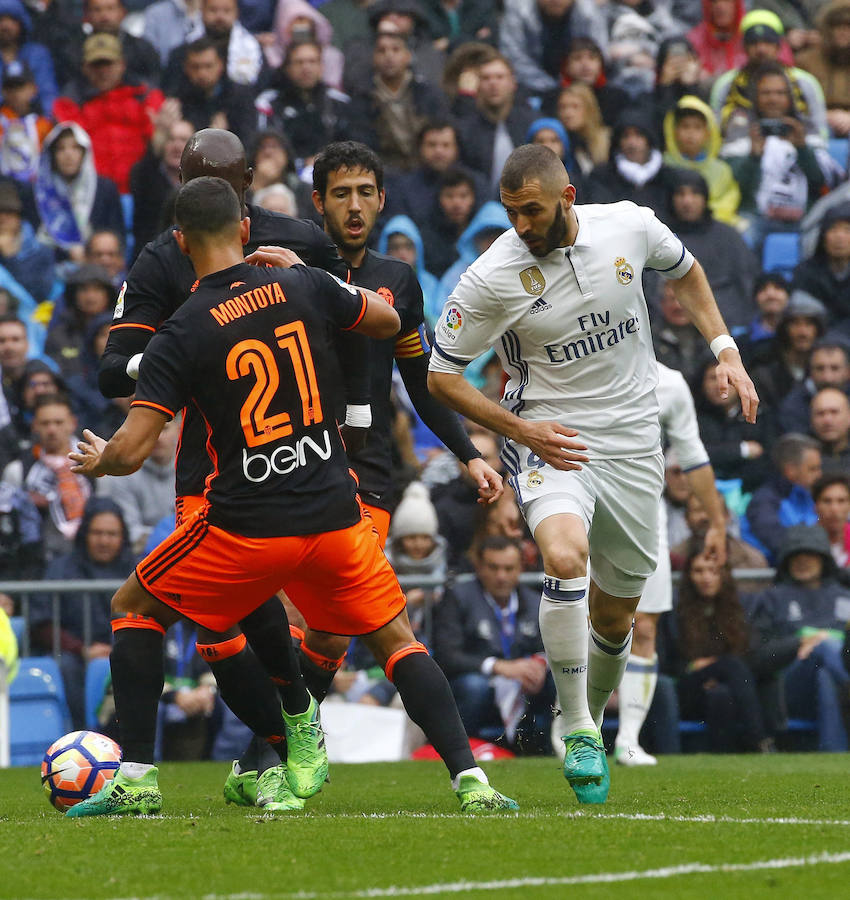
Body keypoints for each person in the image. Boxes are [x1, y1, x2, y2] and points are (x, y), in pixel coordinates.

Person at [68, 175, 517, 817]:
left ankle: (141, 777)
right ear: (247, 230)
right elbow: (390, 320)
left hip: (247, 528)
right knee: (397, 639)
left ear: (179, 241)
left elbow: (134, 448)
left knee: (133, 607)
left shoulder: (182, 330)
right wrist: (320, 278)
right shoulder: (303, 282)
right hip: (335, 515)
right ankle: (470, 780)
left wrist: (100, 461)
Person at [427, 142, 759, 803]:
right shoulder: (492, 276)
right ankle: (578, 724)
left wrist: (728, 353)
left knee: (617, 614)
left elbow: (688, 271)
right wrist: (519, 431)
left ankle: (586, 711)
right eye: (511, 212)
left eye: (532, 211)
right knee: (563, 553)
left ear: (568, 198)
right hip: (554, 439)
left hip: (635, 442)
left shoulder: (629, 226)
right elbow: (439, 376)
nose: (521, 225)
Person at [97, 128, 371, 805]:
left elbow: (129, 443)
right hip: (278, 473)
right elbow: (384, 318)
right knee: (231, 623)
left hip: (250, 484)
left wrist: (357, 410)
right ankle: (285, 745)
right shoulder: (274, 267)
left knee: (156, 608)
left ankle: (253, 750)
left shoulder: (214, 302)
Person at [613, 361, 727, 767]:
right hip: (586, 505)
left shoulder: (672, 383)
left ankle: (628, 739)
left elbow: (693, 454)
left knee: (644, 625)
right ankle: (575, 725)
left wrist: (716, 522)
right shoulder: (578, 360)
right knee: (584, 623)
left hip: (648, 513)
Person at [433, 535, 555, 752]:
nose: (501, 576)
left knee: (555, 679)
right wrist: (497, 667)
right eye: (494, 567)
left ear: (520, 569)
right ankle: (462, 754)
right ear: (479, 567)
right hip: (478, 684)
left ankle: (548, 747)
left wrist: (538, 665)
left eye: (509, 568)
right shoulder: (457, 598)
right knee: (474, 687)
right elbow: (447, 655)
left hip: (523, 687)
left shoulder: (535, 602)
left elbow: (548, 647)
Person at [29, 496, 134, 729]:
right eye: (97, 533)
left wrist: (116, 649)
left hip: (123, 652)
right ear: (85, 533)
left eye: (112, 534)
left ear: (122, 536)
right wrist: (82, 649)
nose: (104, 540)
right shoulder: (61, 568)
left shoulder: (137, 570)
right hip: (73, 655)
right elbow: (41, 624)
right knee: (64, 666)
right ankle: (77, 734)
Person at [747, 524, 850, 751]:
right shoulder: (771, 599)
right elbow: (758, 657)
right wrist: (799, 643)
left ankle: (834, 753)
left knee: (825, 675)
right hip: (790, 687)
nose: (803, 561)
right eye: (796, 556)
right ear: (786, 559)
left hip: (836, 683)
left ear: (823, 558)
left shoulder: (845, 596)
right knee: (823, 647)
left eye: (810, 554)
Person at [671, 541, 771, 753]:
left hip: (725, 686)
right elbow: (669, 663)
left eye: (713, 571)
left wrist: (713, 670)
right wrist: (697, 667)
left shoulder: (737, 610)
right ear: (688, 575)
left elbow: (748, 654)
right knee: (731, 666)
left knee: (721, 694)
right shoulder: (675, 611)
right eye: (699, 571)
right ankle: (759, 740)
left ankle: (723, 757)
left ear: (723, 575)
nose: (706, 578)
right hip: (687, 686)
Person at [53, 33, 165, 194]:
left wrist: (162, 131)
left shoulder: (145, 95)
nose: (103, 71)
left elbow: (157, 143)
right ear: (85, 67)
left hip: (141, 190)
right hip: (93, 192)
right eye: (96, 65)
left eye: (108, 64)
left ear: (122, 64)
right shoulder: (70, 102)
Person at [2, 393, 92, 560]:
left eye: (58, 422)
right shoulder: (18, 470)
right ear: (34, 426)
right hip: (35, 559)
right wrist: (26, 504)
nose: (52, 430)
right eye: (45, 423)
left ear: (73, 424)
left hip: (88, 557)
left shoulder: (94, 463)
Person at [35, 122, 124, 263]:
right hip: (50, 266)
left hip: (98, 264)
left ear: (85, 153)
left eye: (75, 148)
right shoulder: (40, 192)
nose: (68, 155)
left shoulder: (104, 189)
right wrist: (68, 252)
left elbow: (116, 235)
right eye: (60, 149)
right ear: (52, 155)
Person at [255, 39, 350, 168]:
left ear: (321, 67)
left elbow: (352, 147)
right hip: (286, 175)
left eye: (312, 61)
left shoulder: (340, 102)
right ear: (287, 67)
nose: (306, 68)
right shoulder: (268, 103)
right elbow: (266, 147)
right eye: (299, 62)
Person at [662, 96, 741, 228]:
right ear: (674, 131)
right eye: (685, 126)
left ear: (708, 133)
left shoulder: (721, 169)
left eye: (697, 127)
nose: (690, 133)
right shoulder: (664, 165)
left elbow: (727, 202)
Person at [746, 433, 822, 562]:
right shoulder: (764, 502)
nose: (819, 474)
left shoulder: (810, 496)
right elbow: (777, 541)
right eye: (812, 469)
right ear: (790, 470)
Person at [171, 36, 257, 145]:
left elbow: (248, 141)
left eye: (208, 66)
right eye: (195, 67)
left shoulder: (240, 97)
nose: (202, 73)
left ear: (221, 65)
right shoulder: (180, 98)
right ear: (186, 68)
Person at [778, 341, 850, 435]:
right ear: (810, 372)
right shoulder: (792, 407)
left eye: (835, 368)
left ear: (848, 371)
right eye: (820, 368)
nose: (827, 377)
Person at [812, 473, 850, 568]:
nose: (834, 509)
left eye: (841, 501)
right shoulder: (802, 543)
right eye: (827, 501)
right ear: (815, 506)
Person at [810, 387, 850, 475]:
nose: (827, 420)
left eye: (834, 412)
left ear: (848, 417)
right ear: (811, 420)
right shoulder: (805, 462)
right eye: (820, 413)